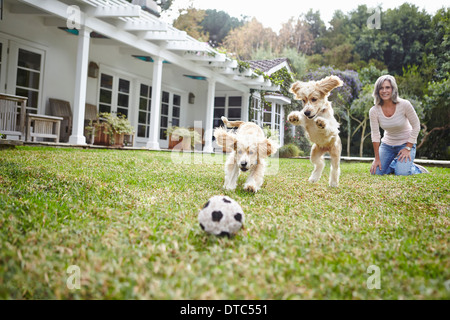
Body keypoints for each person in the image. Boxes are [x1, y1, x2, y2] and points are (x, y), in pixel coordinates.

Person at [369, 75, 429, 175]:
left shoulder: (405, 104)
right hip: (387, 145)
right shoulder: (374, 110)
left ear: (393, 89)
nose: (384, 91)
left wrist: (408, 147)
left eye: (387, 87)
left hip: (405, 143)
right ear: (377, 91)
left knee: (402, 173)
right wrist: (377, 159)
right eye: (381, 88)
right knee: (376, 172)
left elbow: (416, 126)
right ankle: (396, 165)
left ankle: (415, 169)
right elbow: (375, 135)